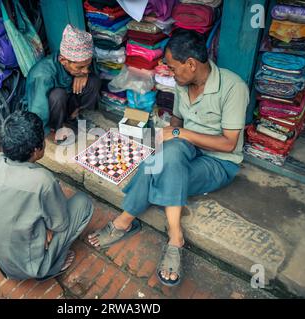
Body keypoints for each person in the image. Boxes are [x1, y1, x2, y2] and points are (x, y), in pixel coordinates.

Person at [88, 30, 250, 287]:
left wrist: (177, 133)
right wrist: (168, 137)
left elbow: (229, 144)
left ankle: (130, 223)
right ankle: (173, 237)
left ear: (191, 64)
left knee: (159, 167)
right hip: (186, 148)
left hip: (218, 161)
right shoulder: (184, 84)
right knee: (167, 155)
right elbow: (176, 121)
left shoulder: (233, 87)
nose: (171, 74)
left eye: (174, 69)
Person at [0, 110, 94, 281]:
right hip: (26, 267)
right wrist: (48, 227)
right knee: (83, 202)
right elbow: (60, 225)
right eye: (43, 138)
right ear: (36, 150)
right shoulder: (42, 180)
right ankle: (51, 265)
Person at [26, 24, 101, 145]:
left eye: (87, 65)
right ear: (63, 61)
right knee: (57, 94)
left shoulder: (75, 62)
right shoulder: (43, 75)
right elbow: (37, 112)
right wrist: (45, 133)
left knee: (93, 81)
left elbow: (88, 70)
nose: (85, 69)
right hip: (47, 110)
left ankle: (72, 117)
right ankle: (56, 128)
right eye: (81, 67)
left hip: (66, 104)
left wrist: (83, 74)